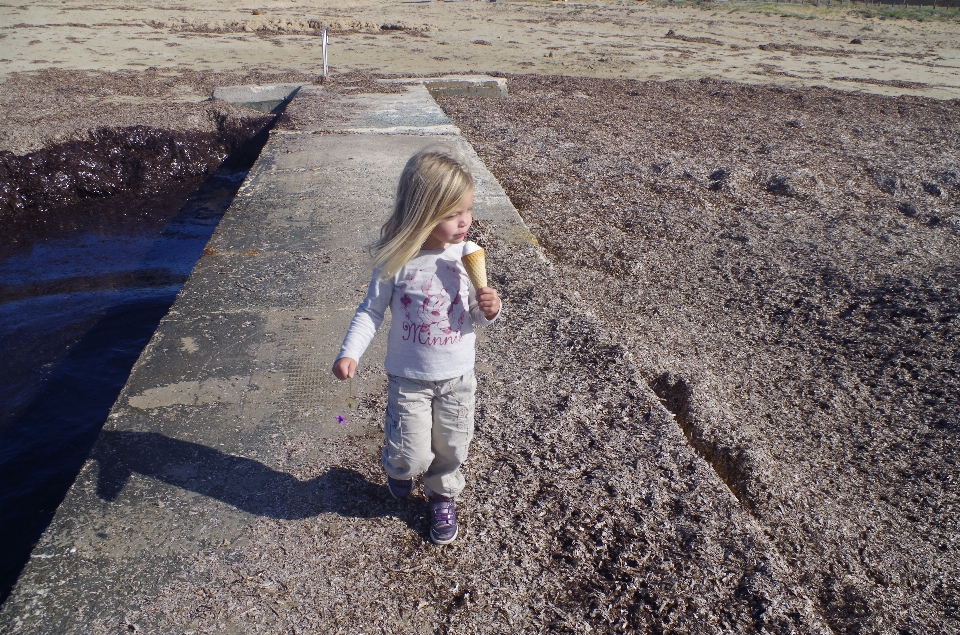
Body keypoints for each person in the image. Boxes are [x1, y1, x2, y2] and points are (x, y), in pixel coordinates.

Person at [332, 147, 501, 545]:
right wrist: (349, 352)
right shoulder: (397, 260)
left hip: (458, 375)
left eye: (469, 210)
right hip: (409, 377)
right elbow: (371, 311)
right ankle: (399, 467)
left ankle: (442, 495)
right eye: (452, 214)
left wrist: (489, 308)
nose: (465, 222)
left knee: (453, 446)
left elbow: (476, 315)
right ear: (423, 211)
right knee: (412, 456)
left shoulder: (467, 256)